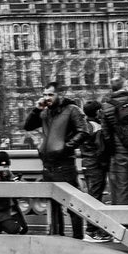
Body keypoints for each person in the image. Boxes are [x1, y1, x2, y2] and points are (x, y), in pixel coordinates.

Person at [22, 82, 85, 238]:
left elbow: (84, 131)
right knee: (53, 205)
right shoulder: (44, 113)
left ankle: (78, 238)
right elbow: (28, 126)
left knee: (72, 205)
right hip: (48, 165)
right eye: (45, 94)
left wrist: (66, 147)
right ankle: (58, 237)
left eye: (50, 94)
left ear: (60, 95)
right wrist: (36, 108)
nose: (47, 98)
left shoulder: (72, 110)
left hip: (65, 165)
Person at [77, 100, 112, 241]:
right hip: (95, 165)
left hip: (87, 163)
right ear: (97, 112)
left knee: (93, 195)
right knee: (95, 197)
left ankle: (93, 230)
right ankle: (91, 231)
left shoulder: (85, 125)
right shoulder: (96, 127)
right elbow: (101, 148)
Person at [0, 150, 27, 234]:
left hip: (12, 210)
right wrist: (10, 185)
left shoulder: (9, 176)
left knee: (24, 229)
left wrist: (17, 185)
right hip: (0, 212)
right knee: (15, 229)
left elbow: (17, 196)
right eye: (3, 166)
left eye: (7, 166)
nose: (5, 169)